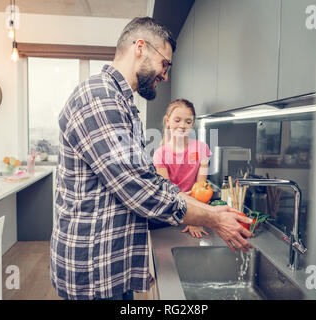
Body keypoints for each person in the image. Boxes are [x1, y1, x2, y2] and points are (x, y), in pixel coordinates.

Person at [50, 16, 253, 300]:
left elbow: (151, 181)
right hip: (93, 267)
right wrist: (213, 219)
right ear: (140, 47)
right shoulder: (99, 98)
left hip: (112, 264)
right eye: (165, 64)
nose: (165, 76)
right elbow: (139, 191)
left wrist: (213, 212)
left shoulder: (123, 104)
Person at [153, 98, 211, 238]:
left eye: (188, 121)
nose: (182, 126)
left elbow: (201, 188)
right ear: (168, 121)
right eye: (177, 120)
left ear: (193, 123)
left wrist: (196, 217)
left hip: (196, 208)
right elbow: (169, 192)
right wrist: (189, 217)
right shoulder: (160, 154)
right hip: (170, 212)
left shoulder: (202, 149)